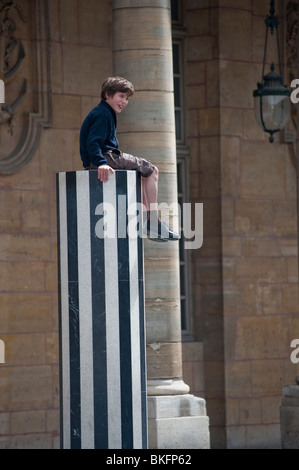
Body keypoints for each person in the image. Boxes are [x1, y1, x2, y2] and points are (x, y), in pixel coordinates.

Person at [80, 76, 179, 242]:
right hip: (107, 156)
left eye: (126, 98)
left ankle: (149, 220)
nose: (124, 101)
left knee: (142, 173)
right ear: (107, 94)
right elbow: (93, 142)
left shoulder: (104, 112)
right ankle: (153, 220)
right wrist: (101, 163)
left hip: (103, 156)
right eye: (121, 96)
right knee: (152, 170)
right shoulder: (103, 114)